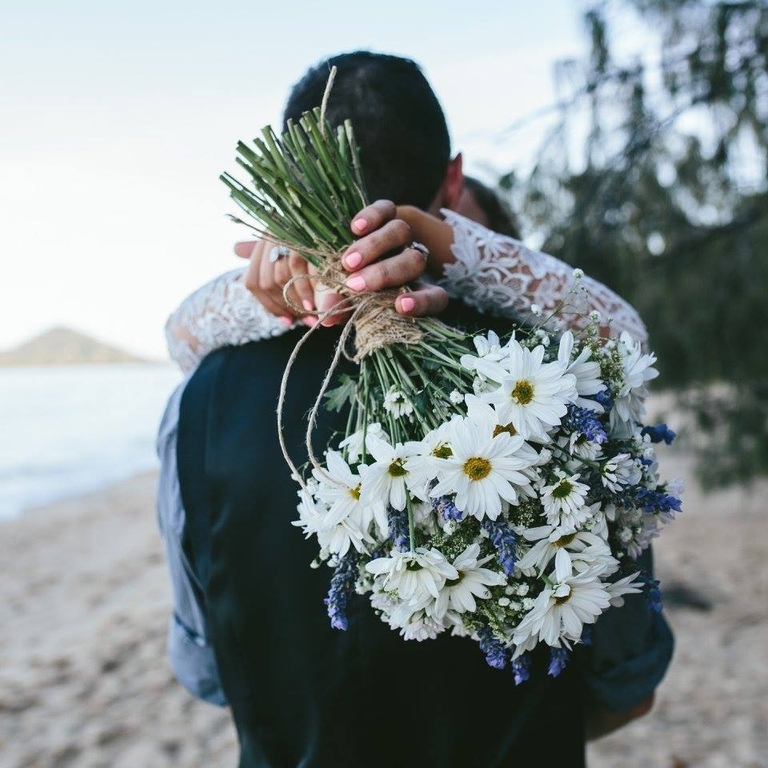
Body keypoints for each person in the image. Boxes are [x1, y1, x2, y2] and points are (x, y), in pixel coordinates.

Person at [166, 50, 672, 767]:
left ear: (281, 202)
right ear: (454, 177)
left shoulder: (200, 402)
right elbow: (628, 684)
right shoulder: (568, 382)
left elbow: (206, 672)